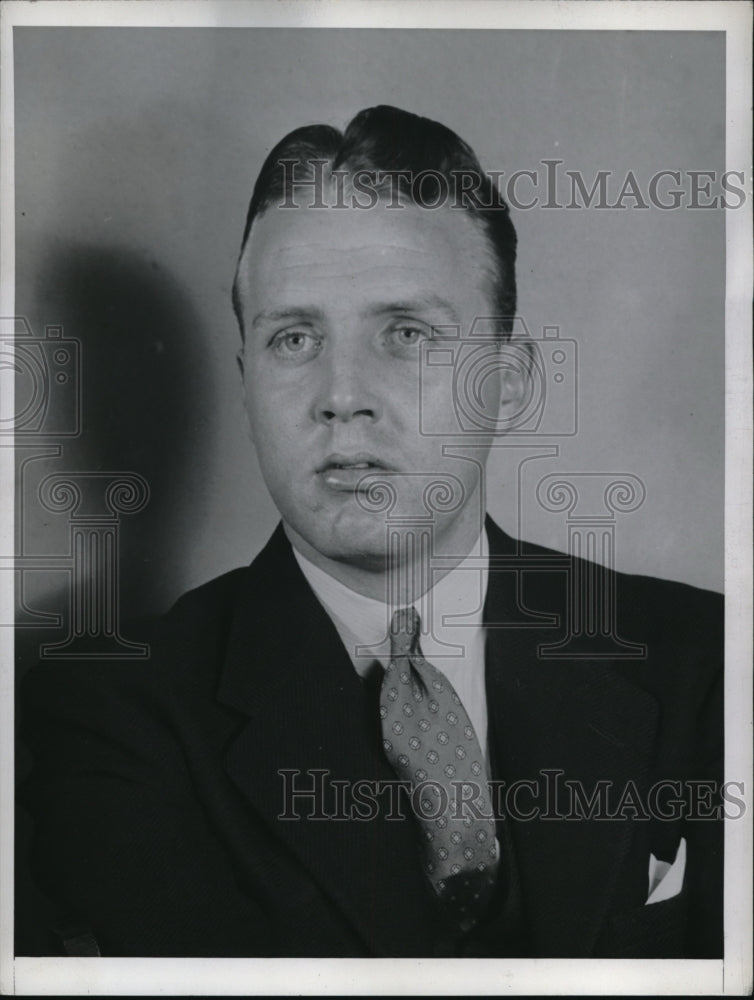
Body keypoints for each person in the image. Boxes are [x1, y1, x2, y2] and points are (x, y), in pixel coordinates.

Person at [19, 105, 723, 958]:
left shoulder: (708, 666)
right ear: (246, 383)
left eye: (406, 334)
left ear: (508, 383)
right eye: (293, 337)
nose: (340, 393)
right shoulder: (108, 722)